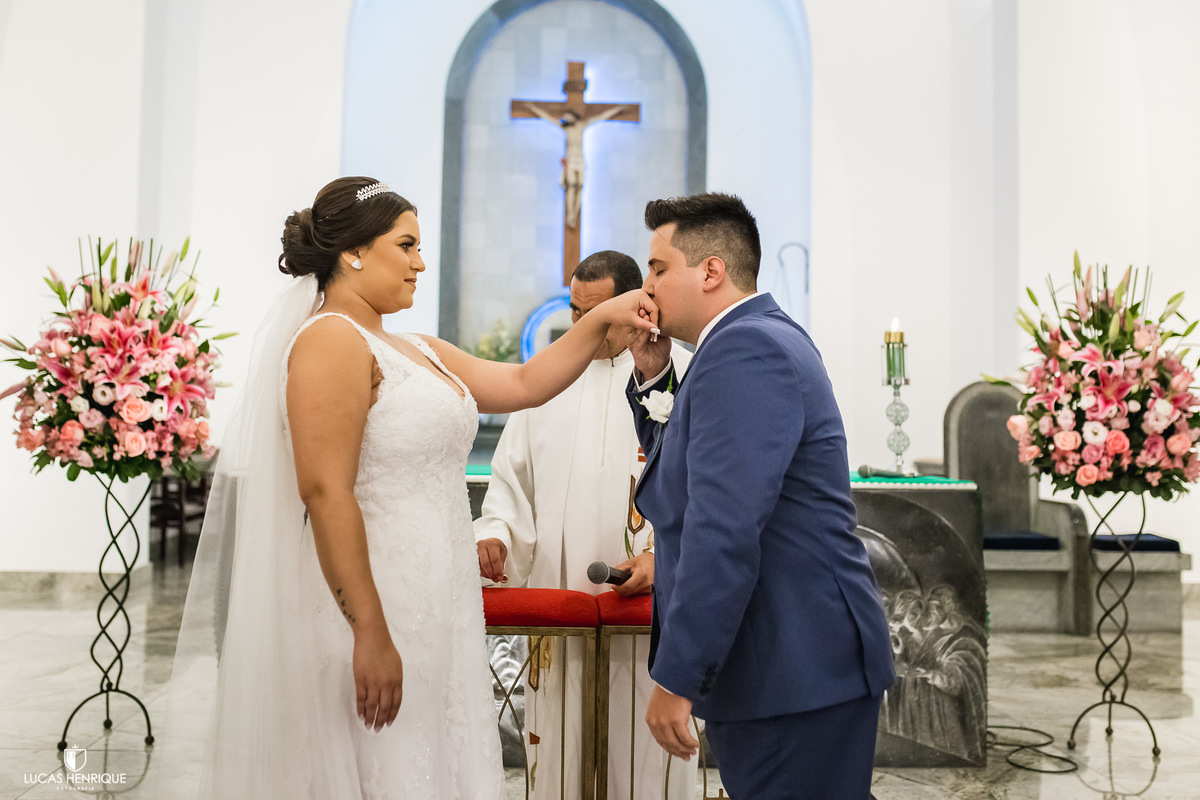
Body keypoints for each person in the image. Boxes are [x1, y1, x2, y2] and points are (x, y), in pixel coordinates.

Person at [168, 177, 657, 799]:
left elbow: (526, 383)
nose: (420, 263)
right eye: (406, 245)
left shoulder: (417, 348)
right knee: (385, 765)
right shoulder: (329, 341)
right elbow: (326, 493)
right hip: (378, 598)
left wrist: (608, 315)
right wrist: (369, 630)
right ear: (353, 251)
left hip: (439, 600)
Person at [624, 193, 895, 799]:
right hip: (793, 663)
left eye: (658, 269)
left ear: (711, 271)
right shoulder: (752, 338)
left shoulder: (745, 350)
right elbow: (682, 482)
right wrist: (654, 376)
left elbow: (723, 529)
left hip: (792, 662)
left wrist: (679, 676)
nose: (647, 288)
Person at [474, 250, 694, 800]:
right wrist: (496, 534)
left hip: (650, 609)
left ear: (633, 308)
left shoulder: (683, 372)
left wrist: (665, 557)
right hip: (562, 594)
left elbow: (709, 494)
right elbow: (510, 483)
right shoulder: (547, 376)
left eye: (596, 314)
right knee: (563, 750)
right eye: (575, 311)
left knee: (645, 760)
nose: (582, 325)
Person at [522, 102, 627, 227]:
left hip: (580, 160)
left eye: (567, 116)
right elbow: (548, 118)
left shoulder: (582, 126)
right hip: (571, 160)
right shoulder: (566, 128)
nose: (565, 119)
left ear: (573, 116)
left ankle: (574, 214)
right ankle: (570, 215)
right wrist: (533, 108)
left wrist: (616, 110)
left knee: (580, 187)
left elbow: (600, 117)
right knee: (571, 186)